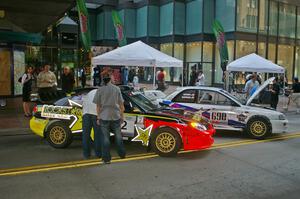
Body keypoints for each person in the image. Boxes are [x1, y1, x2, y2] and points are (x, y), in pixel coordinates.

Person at [93, 72, 126, 164]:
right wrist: (122, 116)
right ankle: (122, 154)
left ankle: (107, 159)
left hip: (104, 116)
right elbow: (121, 105)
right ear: (110, 79)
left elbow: (98, 106)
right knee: (118, 136)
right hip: (115, 115)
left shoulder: (100, 90)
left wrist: (98, 117)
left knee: (105, 138)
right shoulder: (117, 89)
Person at [82, 89, 102, 159]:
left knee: (86, 135)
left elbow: (83, 102)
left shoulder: (91, 92)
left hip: (86, 113)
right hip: (96, 114)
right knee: (97, 135)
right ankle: (98, 153)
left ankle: (86, 154)